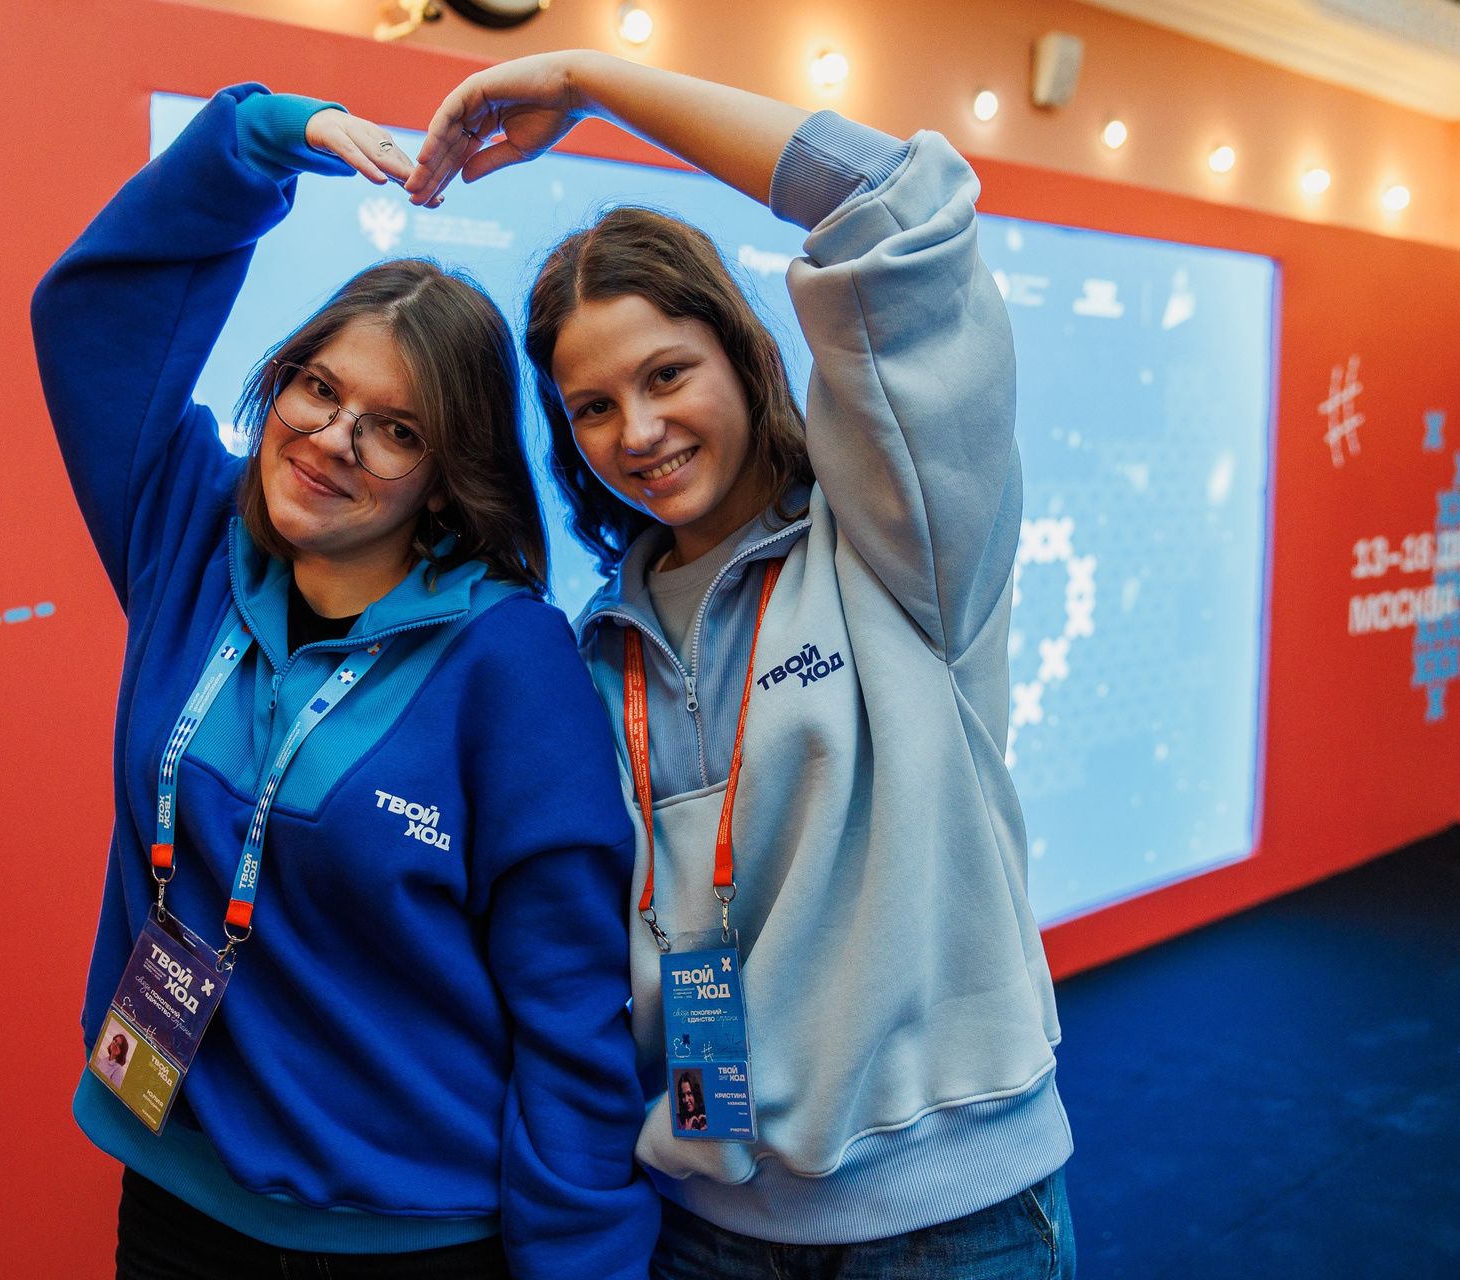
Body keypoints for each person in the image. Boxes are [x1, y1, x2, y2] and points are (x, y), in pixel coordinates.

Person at [410, 52, 1075, 1279]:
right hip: (702, 1225)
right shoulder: (591, 650)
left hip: (947, 1221)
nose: (638, 431)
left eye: (666, 374)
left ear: (741, 352)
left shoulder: (895, 547)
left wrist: (593, 81)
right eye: (592, 405)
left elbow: (895, 202)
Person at [32, 82, 657, 1280]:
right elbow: (91, 314)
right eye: (318, 387)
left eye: (396, 428)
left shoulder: (509, 659)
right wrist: (264, 137)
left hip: (404, 1240)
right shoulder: (193, 538)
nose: (331, 440)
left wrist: (583, 1261)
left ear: (448, 473)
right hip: (173, 1191)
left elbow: (570, 1009)